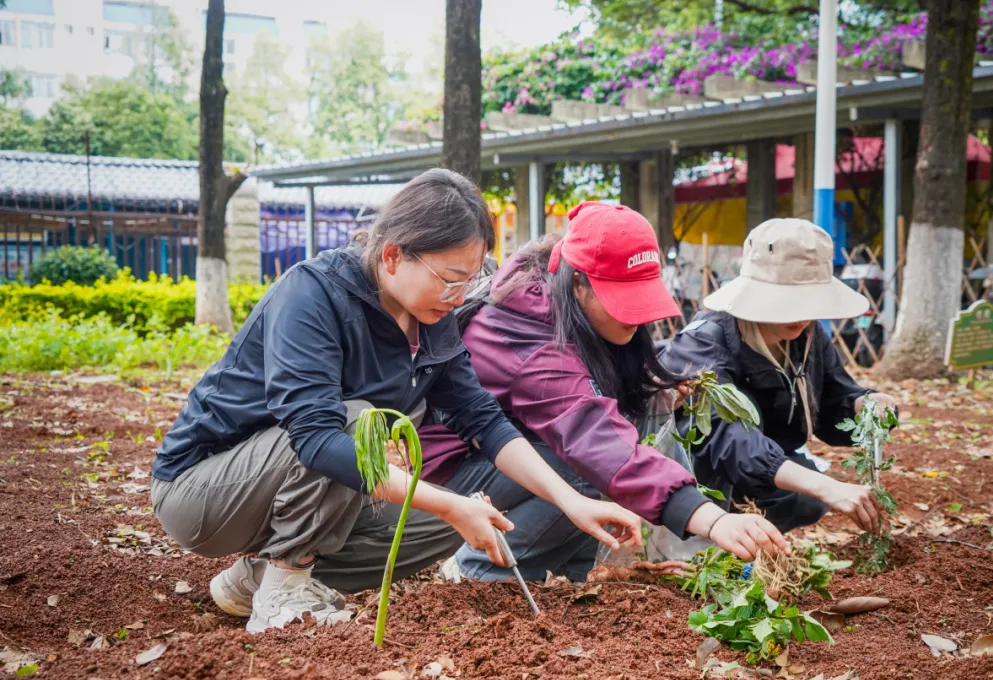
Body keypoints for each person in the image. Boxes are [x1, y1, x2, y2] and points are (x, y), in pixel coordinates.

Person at [150, 170, 642, 633]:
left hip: (288, 486)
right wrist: (449, 503)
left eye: (469, 281)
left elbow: (483, 421)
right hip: (203, 493)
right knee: (361, 423)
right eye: (450, 277)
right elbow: (318, 440)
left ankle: (254, 580)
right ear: (392, 256)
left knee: (455, 519)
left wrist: (571, 500)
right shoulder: (313, 294)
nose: (458, 295)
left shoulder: (432, 315)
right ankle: (285, 587)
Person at [419, 202, 790, 583]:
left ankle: (572, 571)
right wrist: (710, 519)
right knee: (582, 467)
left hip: (517, 458)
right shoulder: (529, 342)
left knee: (588, 460)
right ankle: (475, 572)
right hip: (458, 472)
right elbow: (593, 438)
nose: (636, 317)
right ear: (578, 283)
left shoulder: (565, 304)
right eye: (623, 301)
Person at [661, 218, 898, 535]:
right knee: (806, 490)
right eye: (789, 302)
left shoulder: (807, 338)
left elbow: (831, 401)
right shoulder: (706, 342)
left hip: (765, 465)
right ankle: (717, 537)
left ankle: (755, 540)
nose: (801, 316)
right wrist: (825, 486)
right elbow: (729, 440)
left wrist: (863, 406)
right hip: (704, 476)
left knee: (804, 499)